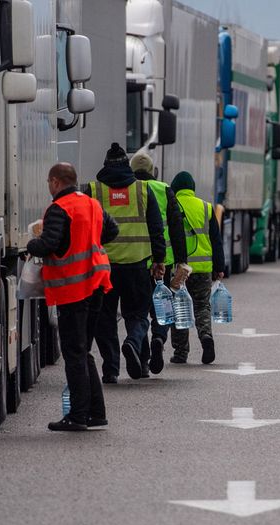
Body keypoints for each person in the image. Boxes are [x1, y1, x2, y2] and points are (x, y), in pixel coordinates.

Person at [27, 162, 116, 432]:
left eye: (48, 182)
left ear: (55, 182)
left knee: (74, 353)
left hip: (74, 288)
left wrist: (30, 244)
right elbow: (112, 231)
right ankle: (95, 413)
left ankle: (77, 416)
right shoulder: (91, 204)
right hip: (98, 283)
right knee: (83, 350)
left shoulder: (59, 208)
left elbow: (49, 244)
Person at [88, 143, 167, 382]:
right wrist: (159, 260)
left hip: (104, 268)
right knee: (138, 315)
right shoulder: (142, 190)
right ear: (126, 165)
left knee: (105, 319)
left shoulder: (94, 191)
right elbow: (156, 228)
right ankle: (133, 343)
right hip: (137, 265)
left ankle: (111, 369)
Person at [130, 151, 191, 375]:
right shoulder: (165, 189)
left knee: (138, 312)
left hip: (135, 260)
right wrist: (182, 260)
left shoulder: (129, 190)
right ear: (152, 171)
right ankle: (159, 337)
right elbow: (176, 227)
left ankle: (143, 358)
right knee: (162, 309)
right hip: (163, 262)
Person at [167, 171, 226, 365]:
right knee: (202, 306)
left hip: (180, 269)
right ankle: (206, 336)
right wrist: (219, 267)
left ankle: (181, 353)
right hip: (202, 269)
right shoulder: (206, 208)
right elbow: (216, 242)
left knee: (180, 308)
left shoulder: (171, 205)